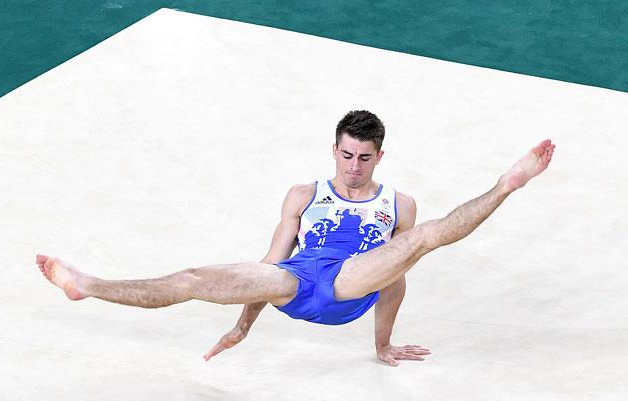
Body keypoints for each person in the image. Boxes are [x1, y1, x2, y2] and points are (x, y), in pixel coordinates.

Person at [36, 110, 555, 367]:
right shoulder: (303, 193)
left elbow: (395, 280)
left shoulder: (399, 204)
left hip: (353, 284)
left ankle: (508, 183)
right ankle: (88, 285)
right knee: (195, 278)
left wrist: (382, 344)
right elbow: (271, 264)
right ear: (334, 150)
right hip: (298, 282)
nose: (353, 167)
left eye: (365, 157)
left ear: (380, 156)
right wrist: (242, 328)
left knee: (422, 238)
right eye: (346, 155)